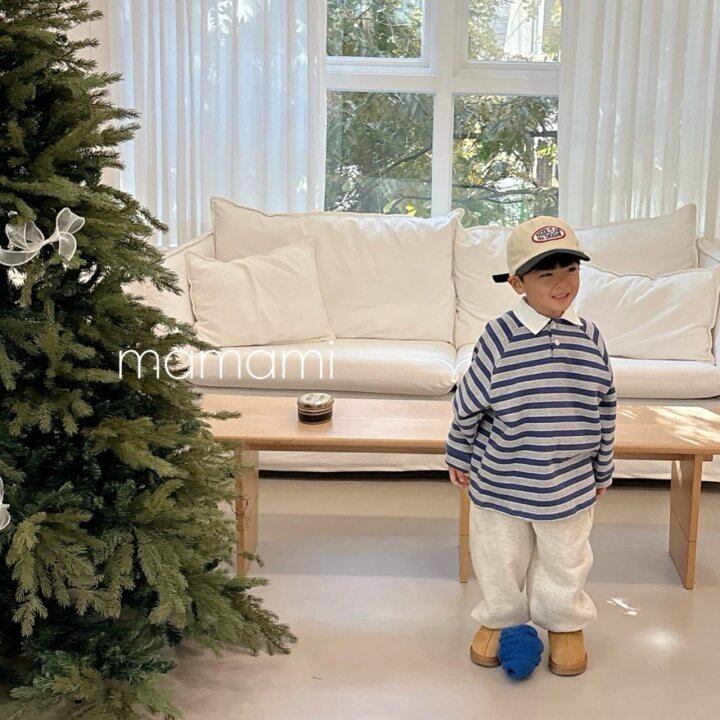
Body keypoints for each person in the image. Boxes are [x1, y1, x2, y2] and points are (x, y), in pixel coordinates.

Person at [445, 216, 616, 677]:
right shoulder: (499, 336)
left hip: (570, 481)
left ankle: (563, 621)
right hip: (502, 478)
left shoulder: (591, 337)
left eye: (571, 269)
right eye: (546, 273)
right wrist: (459, 453)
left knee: (566, 558)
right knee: (500, 557)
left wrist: (603, 468)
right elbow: (469, 403)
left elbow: (605, 406)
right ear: (518, 283)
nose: (563, 282)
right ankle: (503, 618)